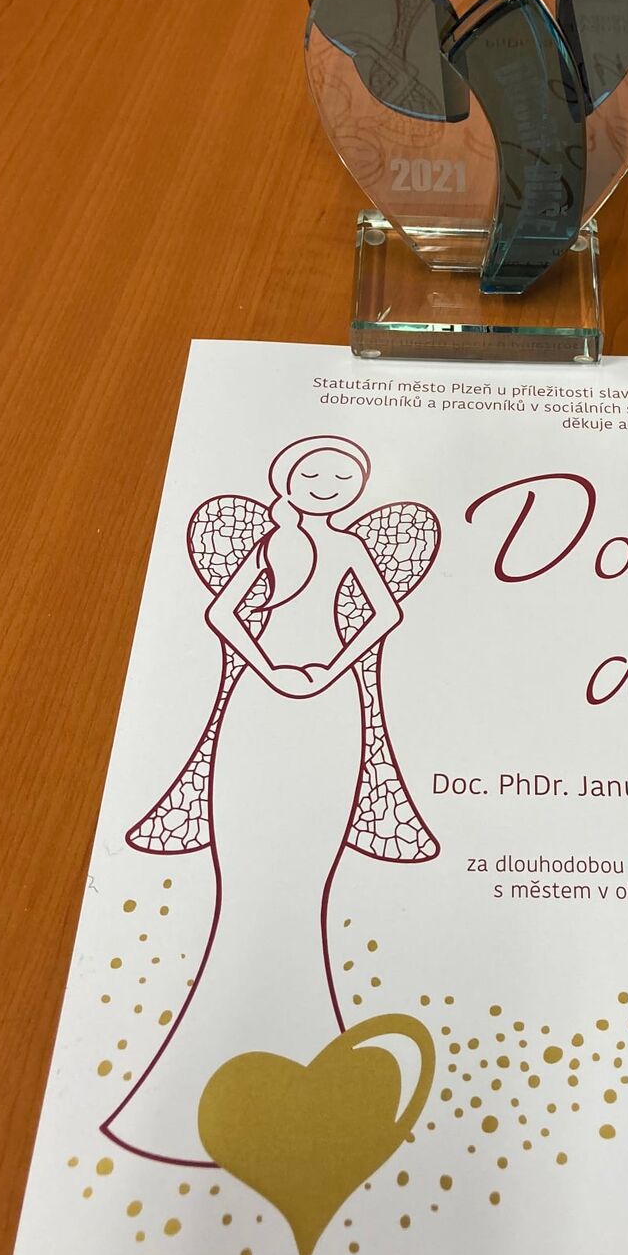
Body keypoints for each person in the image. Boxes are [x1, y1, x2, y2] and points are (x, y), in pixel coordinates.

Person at [102, 437, 404, 1165]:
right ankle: (210, 1081)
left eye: (342, 474)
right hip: (261, 702)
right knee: (243, 877)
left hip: (328, 705)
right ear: (287, 479)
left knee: (306, 880)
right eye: (312, 472)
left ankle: (312, 1075)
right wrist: (269, 666)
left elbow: (384, 615)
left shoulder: (348, 548)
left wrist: (329, 667)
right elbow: (222, 614)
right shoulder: (271, 544)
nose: (327, 482)